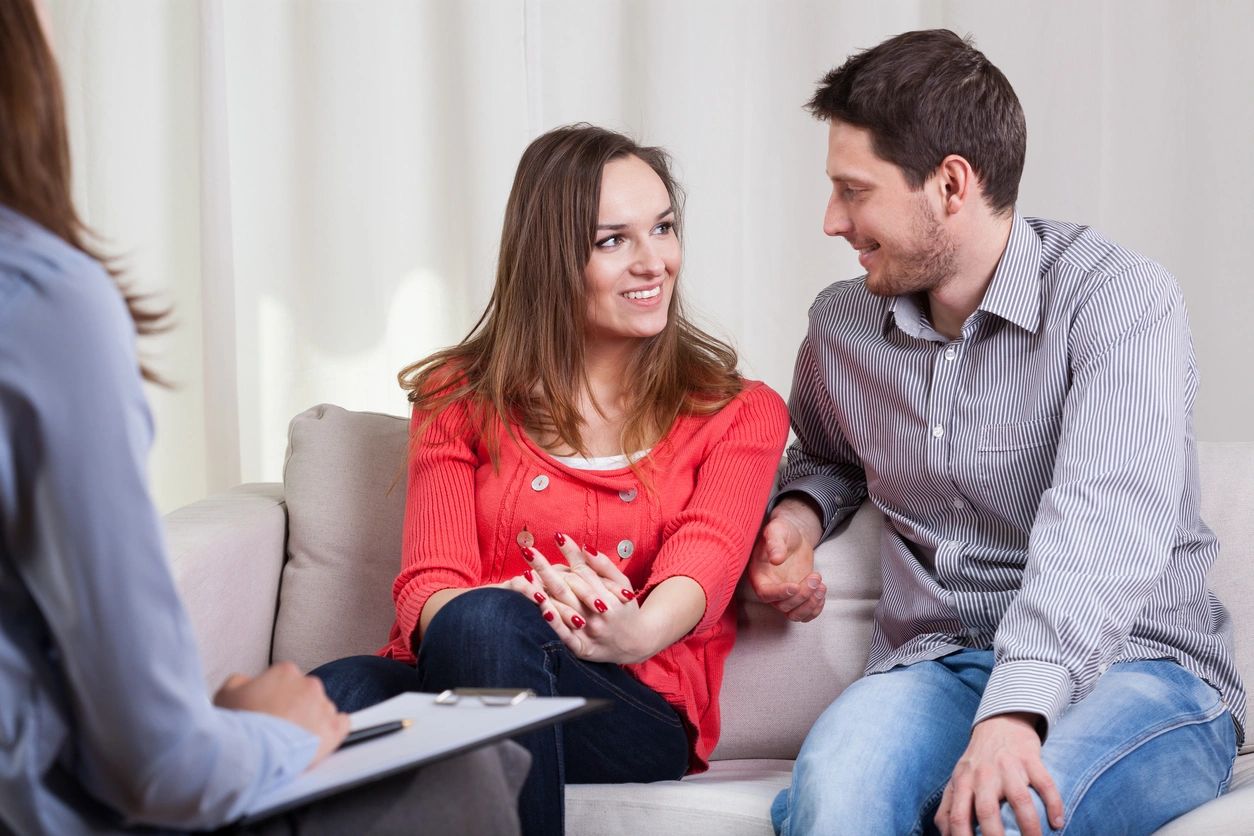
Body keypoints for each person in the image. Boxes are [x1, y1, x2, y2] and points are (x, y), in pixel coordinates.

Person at [0, 1, 527, 833]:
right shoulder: (41, 302)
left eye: (660, 230)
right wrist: (259, 735)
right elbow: (160, 763)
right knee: (452, 757)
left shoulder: (724, 412)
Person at [751, 28, 1244, 836]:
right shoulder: (843, 327)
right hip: (938, 665)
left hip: (1137, 667)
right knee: (832, 805)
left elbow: (1106, 517)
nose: (832, 220)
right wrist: (798, 518)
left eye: (855, 190)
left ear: (950, 184)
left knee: (1003, 818)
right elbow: (831, 455)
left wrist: (1015, 714)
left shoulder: (1119, 301)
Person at [312, 123, 790, 835]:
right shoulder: (459, 394)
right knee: (334, 691)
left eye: (662, 228)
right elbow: (427, 583)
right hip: (466, 666)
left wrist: (634, 630)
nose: (653, 261)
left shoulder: (739, 410)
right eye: (613, 240)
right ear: (551, 259)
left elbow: (708, 558)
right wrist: (513, 605)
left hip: (627, 701)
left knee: (483, 625)